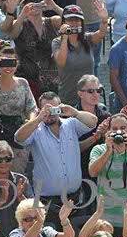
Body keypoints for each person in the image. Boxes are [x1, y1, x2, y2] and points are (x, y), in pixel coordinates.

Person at [14, 92, 98, 225]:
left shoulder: (71, 124)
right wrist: (38, 119)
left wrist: (74, 112)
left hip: (75, 200)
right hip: (47, 203)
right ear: (40, 110)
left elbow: (93, 121)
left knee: (77, 236)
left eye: (54, 109)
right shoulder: (35, 129)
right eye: (47, 109)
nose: (51, 113)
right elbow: (19, 138)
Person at [0, 41, 36, 175]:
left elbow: (32, 107)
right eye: (4, 62)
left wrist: (31, 122)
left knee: (17, 175)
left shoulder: (23, 83)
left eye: (11, 62)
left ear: (17, 63)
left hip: (17, 134)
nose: (8, 67)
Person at [7, 0, 61, 99]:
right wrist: (22, 14)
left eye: (37, 1)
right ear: (24, 5)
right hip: (27, 80)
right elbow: (12, 34)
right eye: (29, 1)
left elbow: (74, 21)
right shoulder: (20, 24)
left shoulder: (52, 21)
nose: (34, 4)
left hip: (51, 79)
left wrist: (54, 7)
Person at [52, 4, 109, 105]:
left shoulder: (87, 39)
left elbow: (101, 34)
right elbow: (61, 62)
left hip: (89, 97)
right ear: (63, 22)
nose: (74, 23)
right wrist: (64, 38)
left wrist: (104, 20)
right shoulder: (57, 42)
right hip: (68, 97)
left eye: (77, 20)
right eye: (70, 20)